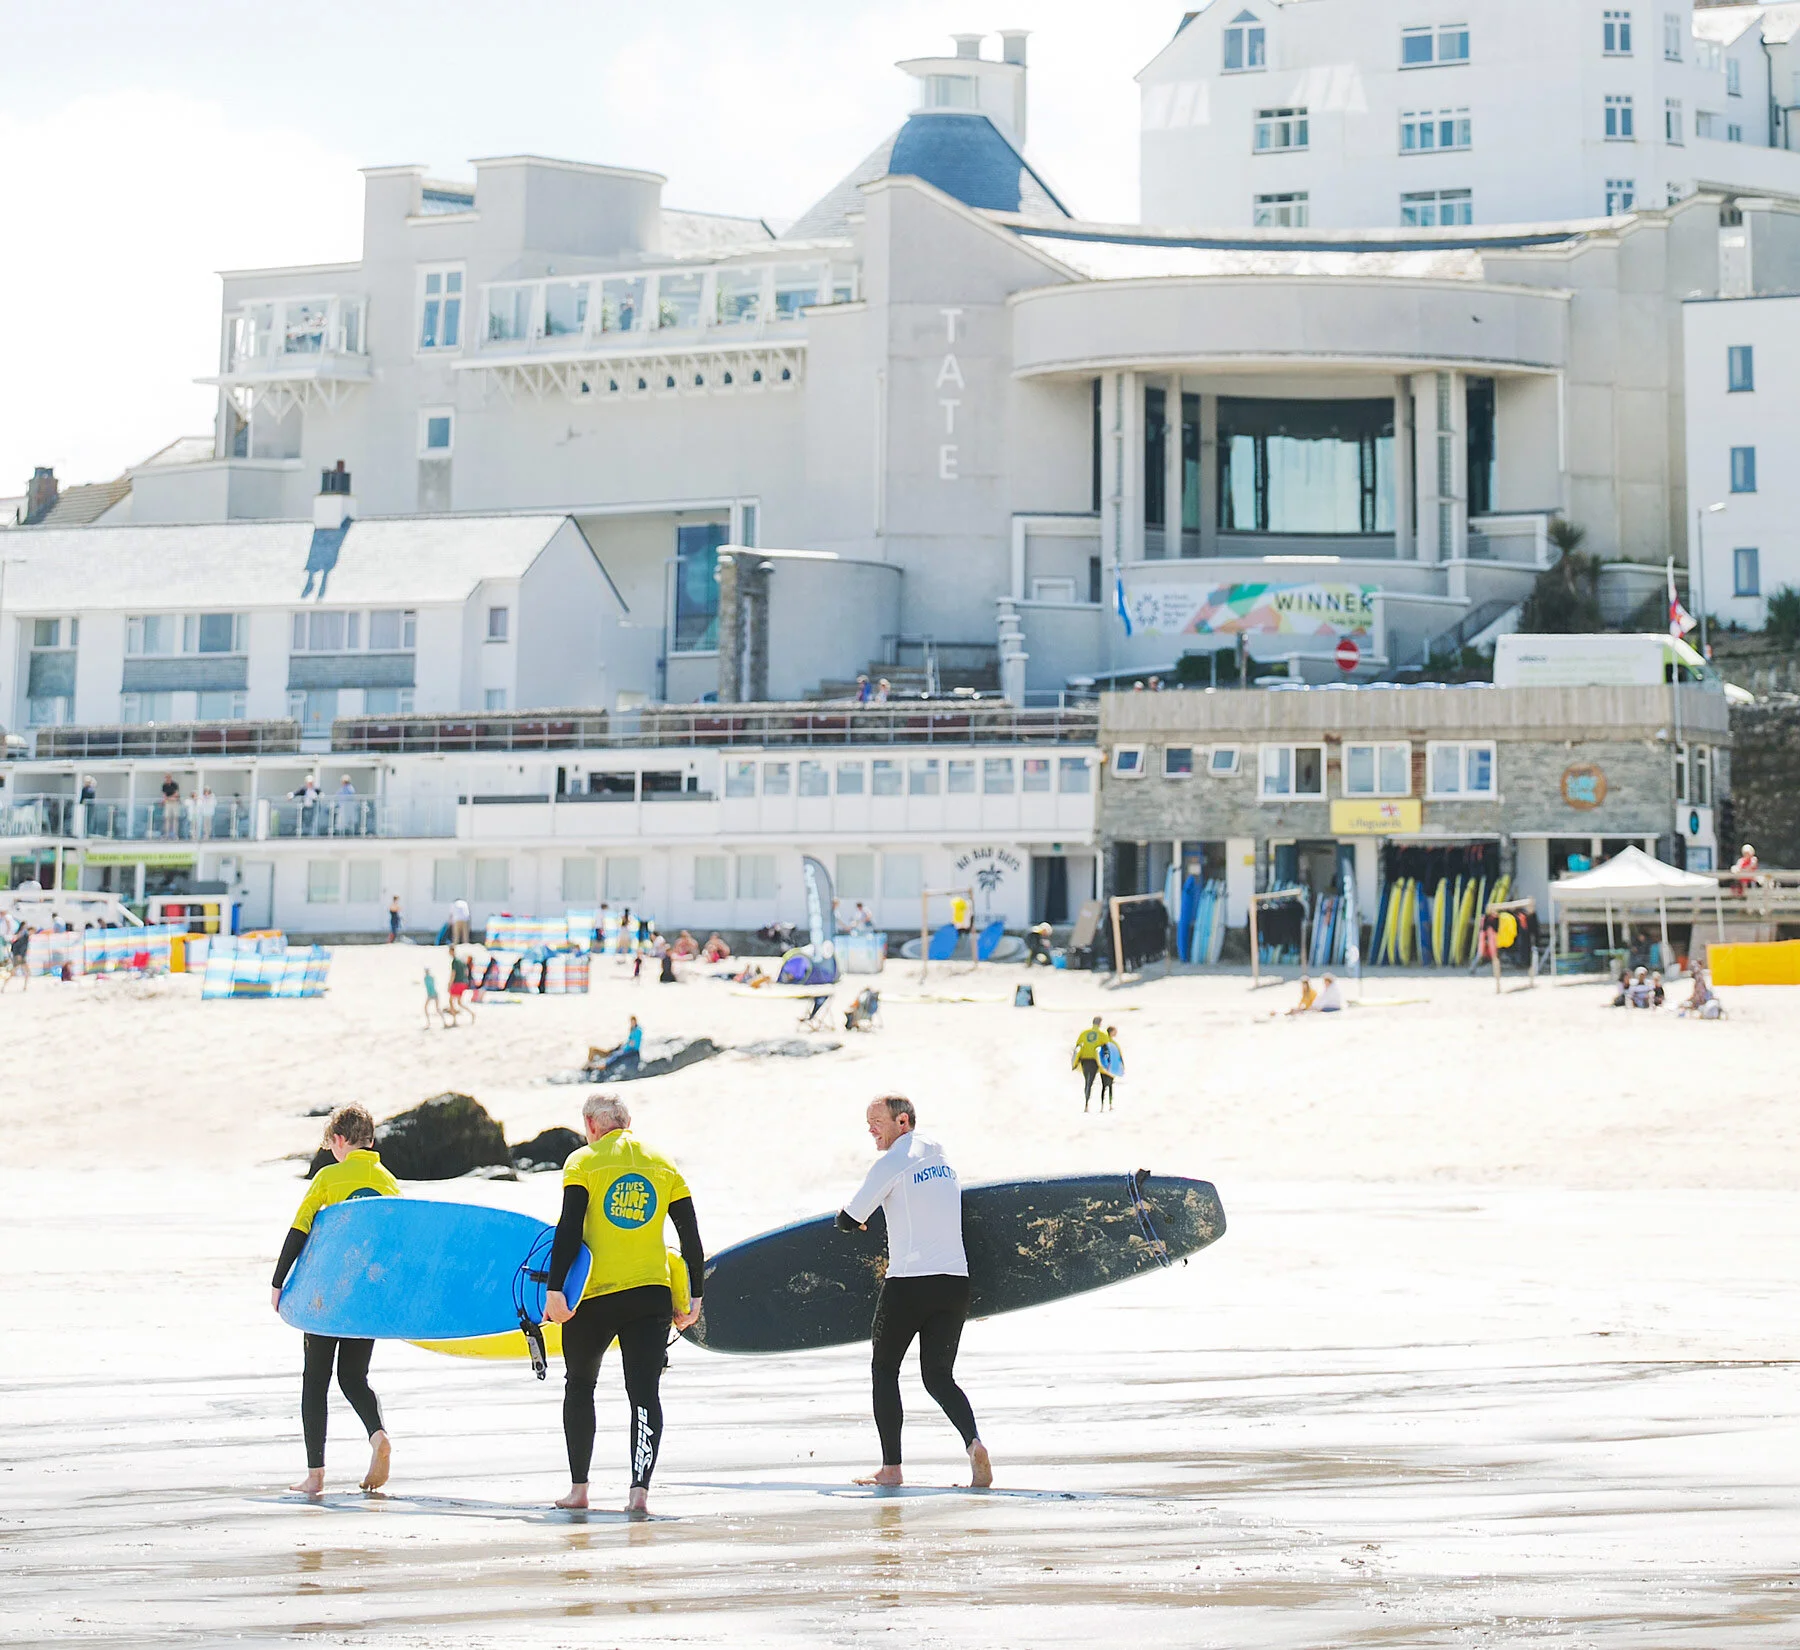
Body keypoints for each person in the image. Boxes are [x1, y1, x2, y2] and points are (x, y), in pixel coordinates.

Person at [542, 1093, 704, 1514]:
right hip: (650, 1295)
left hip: (594, 1296)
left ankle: (579, 1490)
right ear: (627, 1123)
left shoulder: (583, 1161)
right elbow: (690, 1237)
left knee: (580, 1386)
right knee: (644, 1392)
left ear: (592, 1125)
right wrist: (696, 1297)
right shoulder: (663, 1164)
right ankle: (639, 1494)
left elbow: (570, 1227)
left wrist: (555, 1289)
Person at [837, 1095, 991, 1489]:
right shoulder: (942, 1160)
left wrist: (851, 1221)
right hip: (955, 1282)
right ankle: (974, 1444)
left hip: (909, 1283)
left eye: (877, 1122)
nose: (870, 1129)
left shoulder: (892, 1162)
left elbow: (849, 1218)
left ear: (902, 1122)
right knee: (939, 1376)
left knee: (884, 1369)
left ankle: (891, 1468)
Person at [269, 1105, 399, 1497]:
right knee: (353, 1377)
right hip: (368, 1297)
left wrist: (279, 1282)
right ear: (371, 1141)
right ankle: (377, 1436)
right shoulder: (387, 1180)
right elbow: (400, 1239)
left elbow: (300, 1228)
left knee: (316, 1381)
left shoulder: (328, 1176)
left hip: (328, 1293)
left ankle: (315, 1475)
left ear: (339, 1141)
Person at [1071, 1016, 1109, 1111]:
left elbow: (1078, 1046)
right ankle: (1094, 1104)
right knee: (1093, 1081)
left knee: (1087, 1081)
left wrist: (1075, 1062)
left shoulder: (1084, 1033)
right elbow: (1106, 1048)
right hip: (1095, 1060)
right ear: (1100, 1023)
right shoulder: (1102, 1033)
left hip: (1084, 1059)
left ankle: (1086, 1103)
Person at [1098, 1025, 1121, 1110]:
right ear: (1111, 1032)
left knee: (1104, 1087)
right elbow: (1118, 1056)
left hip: (1103, 1068)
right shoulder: (1112, 1043)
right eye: (1115, 1031)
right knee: (1110, 1086)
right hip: (1111, 1068)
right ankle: (1110, 1105)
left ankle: (1102, 1106)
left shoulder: (1103, 1042)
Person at [159, 773, 181, 838]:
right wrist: (167, 799)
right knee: (167, 818)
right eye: (166, 777)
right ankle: (167, 833)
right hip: (168, 803)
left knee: (175, 818)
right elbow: (164, 795)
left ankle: (175, 834)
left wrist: (168, 798)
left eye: (168, 777)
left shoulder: (175, 784)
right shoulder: (164, 785)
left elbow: (176, 794)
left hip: (175, 802)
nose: (167, 779)